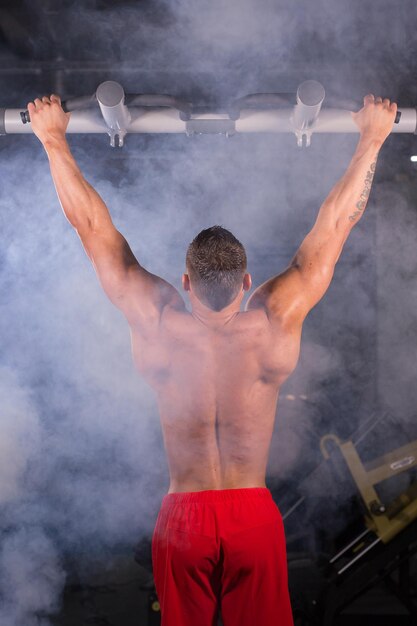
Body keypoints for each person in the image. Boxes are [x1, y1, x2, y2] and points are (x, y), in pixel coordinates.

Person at [27, 92, 397, 626]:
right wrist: (374, 137)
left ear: (184, 281)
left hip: (184, 517)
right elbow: (338, 224)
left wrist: (52, 138)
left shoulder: (155, 319)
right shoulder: (275, 320)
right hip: (253, 514)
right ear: (248, 282)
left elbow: (91, 227)